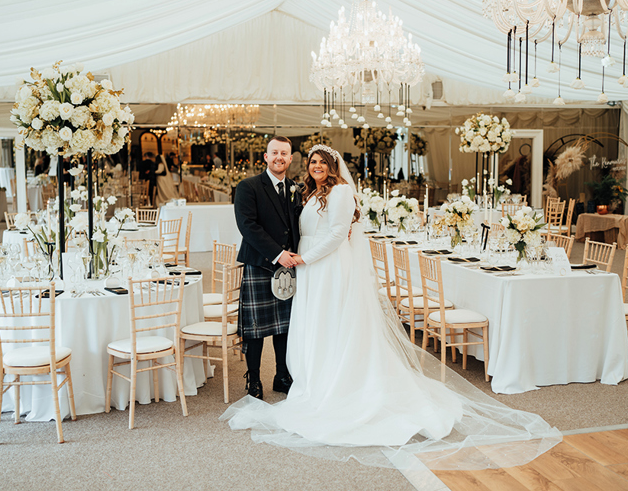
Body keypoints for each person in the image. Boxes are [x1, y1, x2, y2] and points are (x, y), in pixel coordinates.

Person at [222, 144, 560, 469]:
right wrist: (299, 258)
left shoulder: (339, 192)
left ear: (333, 166)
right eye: (313, 162)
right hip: (310, 270)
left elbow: (339, 232)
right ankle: (310, 377)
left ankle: (333, 382)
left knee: (332, 323)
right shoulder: (308, 193)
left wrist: (305, 258)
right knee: (314, 323)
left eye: (322, 162)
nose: (317, 167)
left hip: (324, 266)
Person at [233, 136, 301, 399]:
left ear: (291, 158)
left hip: (289, 267)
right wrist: (277, 254)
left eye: (284, 153)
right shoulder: (248, 187)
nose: (279, 157)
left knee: (285, 326)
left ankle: (282, 375)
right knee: (255, 328)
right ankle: (254, 380)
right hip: (261, 263)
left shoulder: (296, 188)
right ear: (265, 156)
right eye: (274, 152)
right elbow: (247, 226)